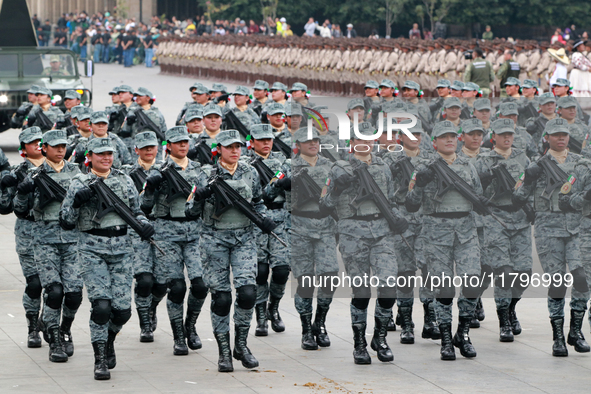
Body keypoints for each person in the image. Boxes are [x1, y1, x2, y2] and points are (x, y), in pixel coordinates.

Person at [59, 137, 154, 380]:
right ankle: (99, 358)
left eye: (109, 154)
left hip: (122, 249)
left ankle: (109, 338)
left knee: (122, 312)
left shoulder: (123, 179)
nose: (106, 158)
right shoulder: (79, 181)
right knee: (101, 307)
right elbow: (67, 221)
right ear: (90, 156)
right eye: (100, 154)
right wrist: (77, 203)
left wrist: (143, 224)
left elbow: (137, 210)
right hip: (92, 249)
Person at [186, 130, 275, 372]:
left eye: (238, 146)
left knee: (247, 292)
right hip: (214, 239)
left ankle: (241, 345)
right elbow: (189, 210)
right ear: (219, 150)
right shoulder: (204, 174)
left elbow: (257, 202)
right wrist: (199, 197)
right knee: (222, 297)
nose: (235, 151)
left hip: (244, 238)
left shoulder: (250, 171)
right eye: (229, 147)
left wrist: (264, 219)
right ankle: (224, 352)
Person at [320, 122, 407, 364]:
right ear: (351, 142)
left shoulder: (383, 166)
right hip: (352, 233)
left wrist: (398, 218)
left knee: (389, 287)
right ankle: (359, 344)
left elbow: (390, 199)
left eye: (370, 139)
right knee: (361, 291)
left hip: (381, 232)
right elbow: (325, 205)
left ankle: (379, 337)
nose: (366, 143)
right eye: (361, 138)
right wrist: (336, 188)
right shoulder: (339, 167)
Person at [406, 120, 484, 361]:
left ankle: (463, 333)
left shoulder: (468, 165)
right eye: (444, 137)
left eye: (453, 136)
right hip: (436, 232)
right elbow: (411, 203)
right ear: (434, 142)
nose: (450, 140)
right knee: (445, 288)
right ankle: (447, 339)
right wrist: (420, 183)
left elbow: (478, 197)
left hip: (466, 230)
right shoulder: (423, 166)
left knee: (472, 282)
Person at [513, 118, 590, 357]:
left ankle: (576, 330)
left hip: (578, 228)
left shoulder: (582, 164)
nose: (561, 138)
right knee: (557, 283)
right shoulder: (538, 164)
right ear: (546, 137)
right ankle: (558, 336)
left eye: (564, 134)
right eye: (556, 134)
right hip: (548, 228)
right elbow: (518, 197)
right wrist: (528, 176)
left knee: (582, 278)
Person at [13, 129, 82, 362]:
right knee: (53, 292)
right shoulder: (34, 174)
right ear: (45, 148)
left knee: (73, 295)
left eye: (63, 146)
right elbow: (20, 210)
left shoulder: (77, 173)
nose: (61, 149)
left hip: (72, 240)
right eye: (56, 146)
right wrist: (22, 192)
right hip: (44, 240)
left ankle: (65, 329)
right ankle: (54, 339)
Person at [140, 126, 208, 355]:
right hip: (167, 233)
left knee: (200, 285)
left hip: (194, 233)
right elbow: (144, 207)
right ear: (167, 145)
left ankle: (191, 325)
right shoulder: (158, 170)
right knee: (176, 287)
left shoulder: (199, 170)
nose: (182, 146)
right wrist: (151, 187)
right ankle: (178, 335)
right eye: (177, 142)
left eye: (185, 142)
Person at [474, 119, 532, 342]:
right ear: (493, 137)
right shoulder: (483, 160)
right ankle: (504, 320)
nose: (507, 138)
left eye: (510, 134)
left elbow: (530, 185)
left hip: (520, 218)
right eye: (502, 134)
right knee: (504, 273)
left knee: (524, 274)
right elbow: (474, 190)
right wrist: (485, 179)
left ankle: (511, 307)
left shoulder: (522, 157)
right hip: (495, 218)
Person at [288, 127, 339, 349]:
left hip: (326, 225)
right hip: (299, 226)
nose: (313, 144)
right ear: (298, 144)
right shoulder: (290, 168)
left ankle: (320, 322)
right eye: (307, 141)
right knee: (306, 280)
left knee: (330, 276)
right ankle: (306, 329)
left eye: (316, 141)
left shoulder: (330, 166)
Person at [121, 132, 167, 343]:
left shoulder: (167, 170)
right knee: (144, 279)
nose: (149, 151)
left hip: (163, 229)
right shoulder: (127, 173)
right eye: (144, 147)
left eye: (152, 147)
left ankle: (152, 307)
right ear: (136, 149)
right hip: (137, 229)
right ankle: (145, 323)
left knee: (162, 282)